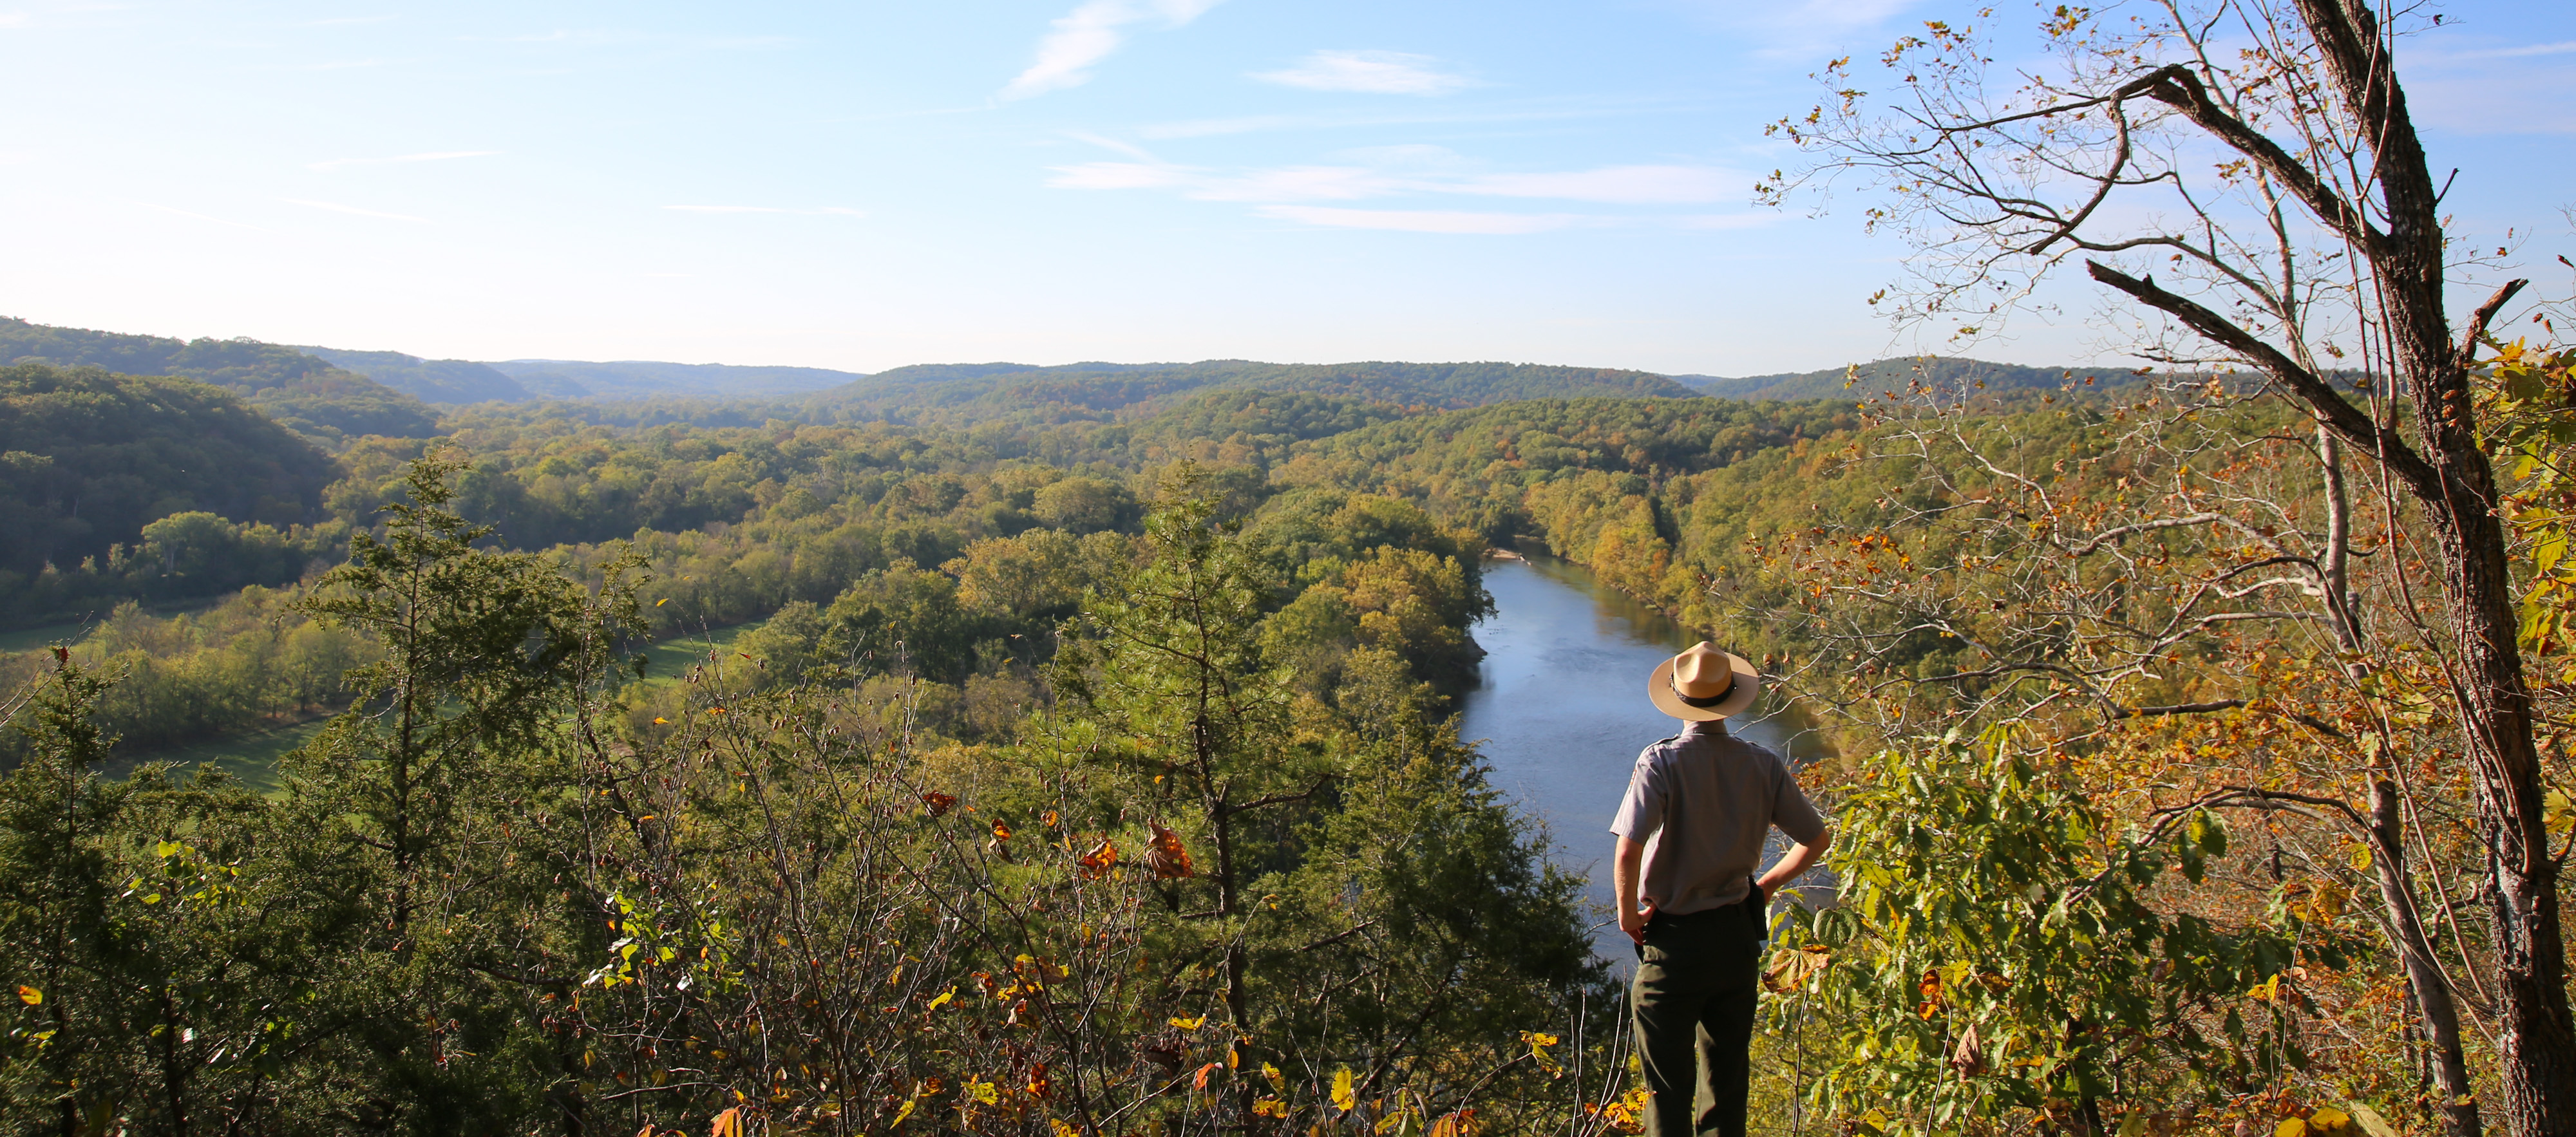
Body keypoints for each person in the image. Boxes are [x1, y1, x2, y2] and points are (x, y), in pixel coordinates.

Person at [1609, 641, 1831, 1137]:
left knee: (1666, 1092)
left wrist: (1627, 914)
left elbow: (1629, 850)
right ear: (1732, 696)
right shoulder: (1763, 763)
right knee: (1727, 1087)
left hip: (1674, 944)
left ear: (1678, 697)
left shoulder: (1661, 762)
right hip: (1735, 943)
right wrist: (1767, 885)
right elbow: (1816, 840)